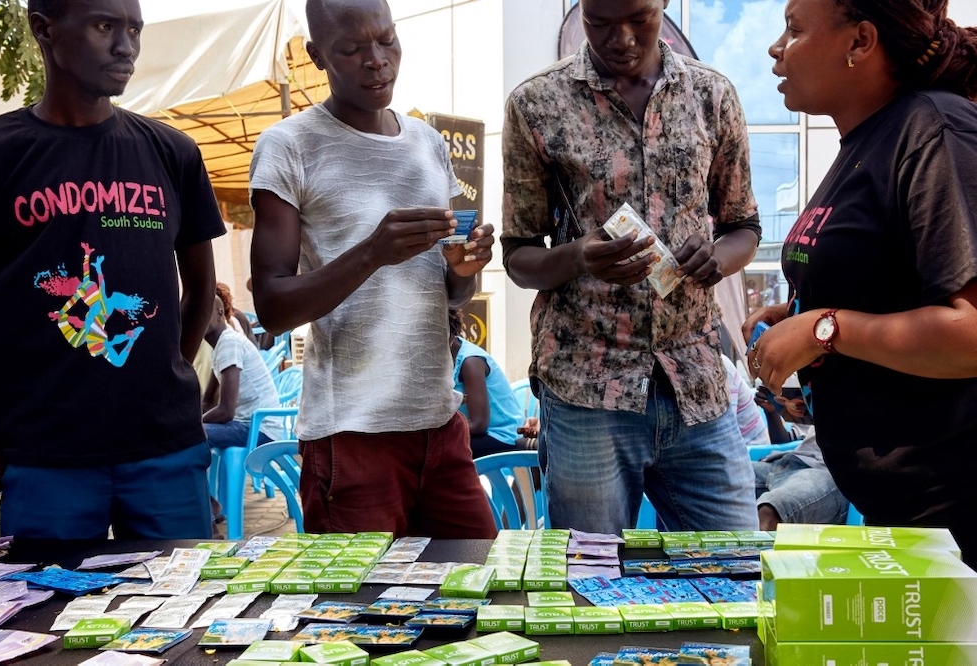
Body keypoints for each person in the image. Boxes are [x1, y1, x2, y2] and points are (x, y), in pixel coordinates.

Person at [500, 0, 762, 533]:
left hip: (696, 384)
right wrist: (578, 256)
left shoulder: (712, 95)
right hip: (586, 387)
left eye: (639, 19)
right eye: (599, 23)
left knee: (736, 570)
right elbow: (518, 255)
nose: (620, 38)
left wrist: (718, 256)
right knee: (592, 581)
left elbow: (744, 227)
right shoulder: (537, 103)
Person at [248, 0, 498, 538]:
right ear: (317, 56)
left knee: (479, 598)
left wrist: (463, 266)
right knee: (362, 615)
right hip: (351, 436)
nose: (376, 59)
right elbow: (271, 306)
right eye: (352, 48)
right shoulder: (289, 145)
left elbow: (454, 294)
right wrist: (371, 253)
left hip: (440, 424)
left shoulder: (428, 144)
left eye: (386, 40)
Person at [0, 0, 224, 539]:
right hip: (44, 453)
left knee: (179, 611)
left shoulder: (172, 152)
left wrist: (164, 369)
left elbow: (201, 285)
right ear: (44, 30)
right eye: (105, 26)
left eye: (134, 28)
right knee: (48, 617)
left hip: (165, 448)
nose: (126, 46)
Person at [746, 0, 977, 565]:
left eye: (795, 30)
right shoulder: (866, 141)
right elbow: (889, 288)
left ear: (861, 41)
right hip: (903, 514)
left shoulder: (933, 129)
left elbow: (971, 333)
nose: (776, 49)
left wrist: (827, 329)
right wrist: (803, 320)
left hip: (958, 517)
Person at [751, 393, 848, 530]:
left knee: (770, 509)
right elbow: (784, 441)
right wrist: (773, 410)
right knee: (713, 481)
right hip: (789, 461)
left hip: (829, 471)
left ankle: (753, 552)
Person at [202, 295, 286, 449]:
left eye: (204, 312)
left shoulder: (229, 343)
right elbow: (208, 401)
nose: (198, 318)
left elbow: (226, 411)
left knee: (193, 437)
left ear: (220, 313)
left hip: (260, 430)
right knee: (187, 434)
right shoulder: (220, 347)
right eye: (194, 313)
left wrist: (193, 425)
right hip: (245, 425)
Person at [449, 309, 525, 458]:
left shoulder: (470, 361)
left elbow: (478, 425)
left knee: (441, 452)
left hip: (503, 435)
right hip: (480, 433)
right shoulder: (441, 360)